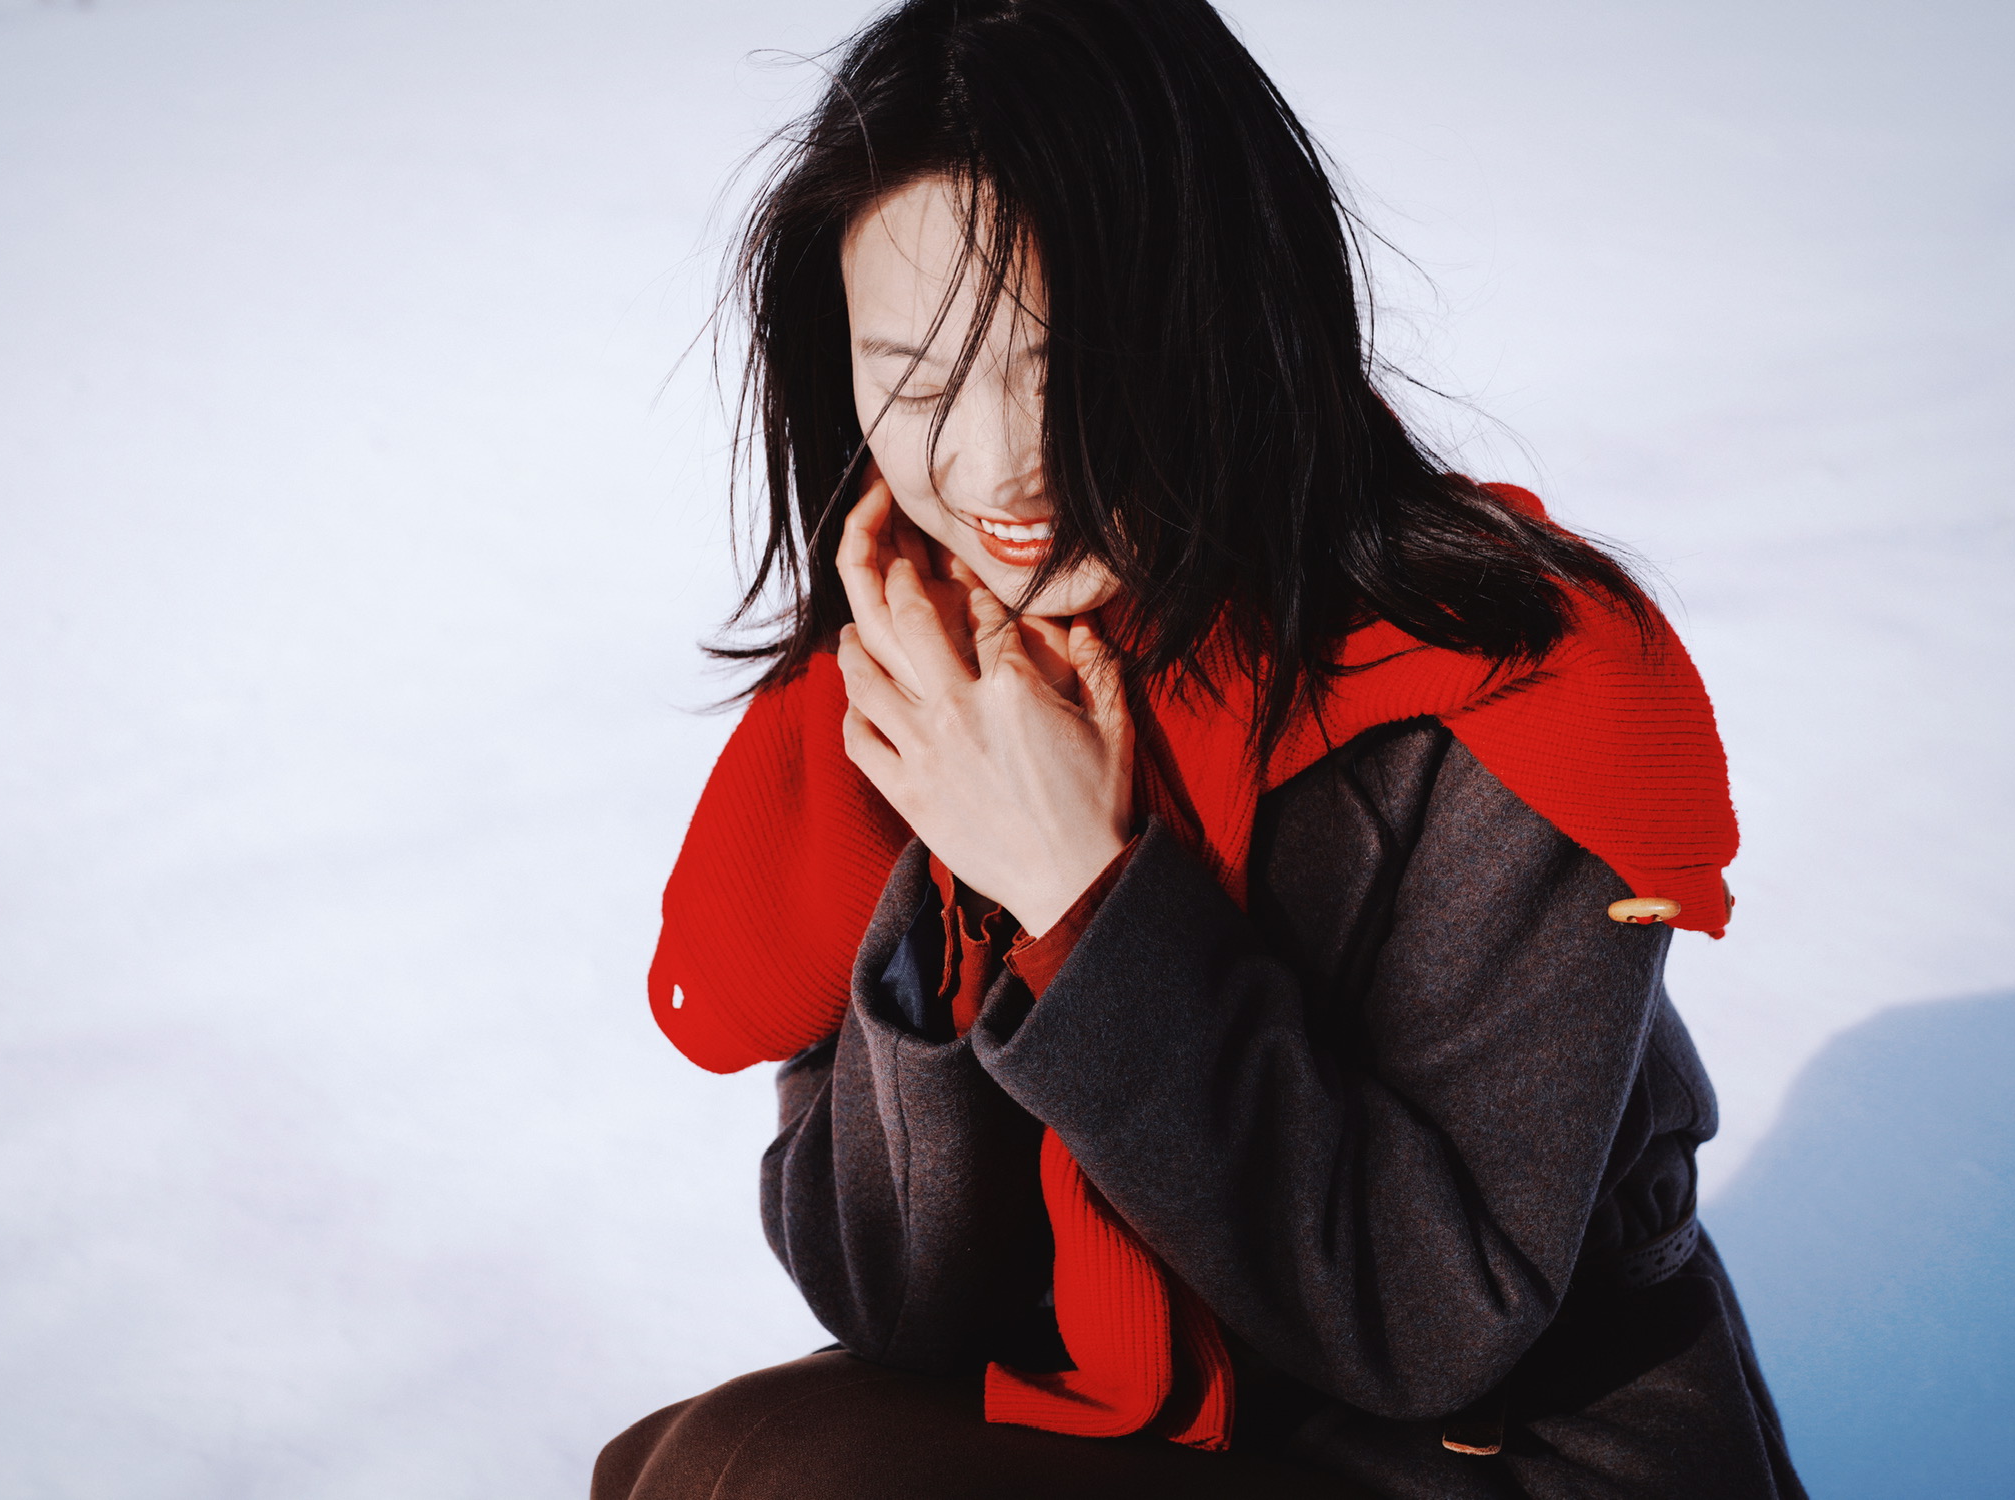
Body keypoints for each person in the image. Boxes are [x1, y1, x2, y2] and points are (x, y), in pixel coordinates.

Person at [599, 2, 1808, 1496]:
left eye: (1069, 368)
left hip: (1486, 1450)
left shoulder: (1505, 682)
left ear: (1232, 320)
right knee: (696, 1469)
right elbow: (902, 1308)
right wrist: (965, 879)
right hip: (1146, 1410)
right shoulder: (915, 678)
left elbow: (1424, 1324)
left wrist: (1085, 895)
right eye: (914, 377)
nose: (995, 467)